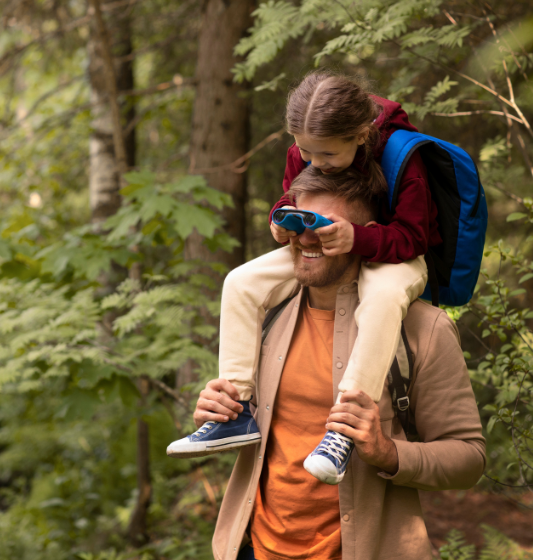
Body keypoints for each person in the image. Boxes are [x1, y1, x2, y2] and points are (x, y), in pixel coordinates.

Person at [167, 71, 440, 486]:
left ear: (361, 135)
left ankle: (343, 431)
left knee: (383, 297)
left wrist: (358, 237)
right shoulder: (309, 150)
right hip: (324, 245)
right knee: (240, 282)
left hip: (390, 252)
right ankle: (236, 412)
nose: (314, 163)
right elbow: (292, 192)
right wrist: (282, 219)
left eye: (327, 155)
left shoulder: (402, 153)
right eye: (304, 151)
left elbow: (415, 236)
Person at [203, 168, 486, 560]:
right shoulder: (266, 312)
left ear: (364, 233)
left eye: (322, 227)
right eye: (298, 221)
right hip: (252, 548)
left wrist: (388, 453)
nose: (304, 239)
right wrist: (222, 408)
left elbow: (469, 458)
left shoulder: (423, 329)